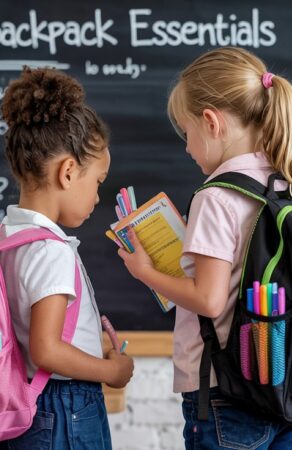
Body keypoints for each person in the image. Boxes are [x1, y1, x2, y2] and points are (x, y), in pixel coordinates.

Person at [118, 47, 292, 449]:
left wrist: (145, 271)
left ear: (210, 122)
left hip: (224, 391)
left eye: (186, 132)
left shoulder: (215, 197)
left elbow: (209, 300)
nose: (186, 148)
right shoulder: (282, 181)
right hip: (278, 379)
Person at [0, 66, 134, 450]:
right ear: (69, 172)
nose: (98, 197)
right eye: (98, 182)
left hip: (26, 407)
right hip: (62, 412)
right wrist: (111, 371)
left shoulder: (6, 238)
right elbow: (46, 349)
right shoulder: (50, 249)